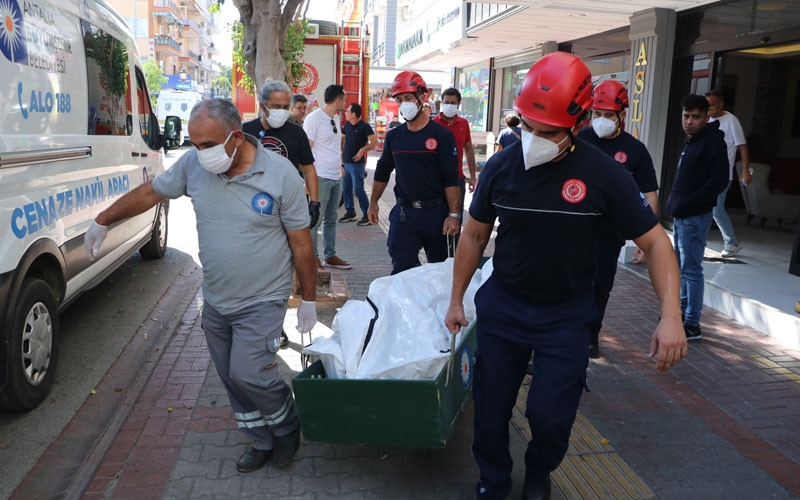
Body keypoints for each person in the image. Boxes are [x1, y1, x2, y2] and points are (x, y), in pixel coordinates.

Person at [443, 52, 686, 500]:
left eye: (547, 132)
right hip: (504, 306)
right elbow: (474, 237)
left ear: (576, 123)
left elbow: (655, 243)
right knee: (491, 407)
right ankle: (493, 480)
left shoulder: (603, 174)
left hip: (567, 314)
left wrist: (671, 314)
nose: (533, 139)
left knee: (551, 414)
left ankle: (539, 471)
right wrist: (457, 299)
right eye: (527, 127)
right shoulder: (501, 167)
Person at [83, 99, 317, 474]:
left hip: (263, 298)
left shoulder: (280, 175)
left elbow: (302, 243)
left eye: (208, 145)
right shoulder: (193, 165)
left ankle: (287, 423)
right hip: (216, 299)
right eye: (194, 144)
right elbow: (151, 193)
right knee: (229, 376)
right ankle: (260, 439)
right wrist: (103, 220)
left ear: (236, 137)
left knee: (249, 372)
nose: (199, 153)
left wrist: (308, 299)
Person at [578, 79, 659, 358]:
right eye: (596, 114)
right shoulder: (578, 141)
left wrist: (647, 239)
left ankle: (591, 335)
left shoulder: (635, 150)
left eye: (608, 115)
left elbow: (649, 194)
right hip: (573, 230)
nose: (601, 121)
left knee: (600, 286)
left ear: (621, 116)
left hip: (609, 234)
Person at [367, 71, 461, 275]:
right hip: (404, 215)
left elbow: (450, 178)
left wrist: (453, 215)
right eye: (399, 100)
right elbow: (383, 170)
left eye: (408, 98)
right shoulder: (394, 137)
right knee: (401, 272)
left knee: (440, 273)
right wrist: (374, 202)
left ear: (423, 97)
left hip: (436, 214)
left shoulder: (441, 135)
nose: (404, 104)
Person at [667, 94, 730, 341]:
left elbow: (718, 180)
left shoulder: (712, 141)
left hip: (694, 217)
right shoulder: (692, 140)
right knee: (683, 270)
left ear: (706, 117)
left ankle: (692, 323)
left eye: (695, 117)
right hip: (683, 216)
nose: (689, 121)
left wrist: (689, 202)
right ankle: (683, 314)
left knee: (691, 271)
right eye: (686, 116)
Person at [304, 84, 352, 269]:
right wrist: (307, 180)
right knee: (315, 219)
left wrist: (340, 165)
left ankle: (330, 255)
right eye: (345, 99)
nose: (346, 103)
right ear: (338, 100)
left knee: (331, 219)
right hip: (320, 177)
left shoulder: (336, 118)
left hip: (334, 177)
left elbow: (335, 145)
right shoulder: (314, 119)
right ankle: (313, 258)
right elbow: (306, 151)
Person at [704, 89, 752, 257]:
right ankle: (701, 240)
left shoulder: (731, 120)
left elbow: (742, 147)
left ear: (721, 103)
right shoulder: (705, 120)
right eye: (707, 105)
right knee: (702, 208)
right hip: (704, 175)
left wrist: (745, 170)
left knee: (716, 209)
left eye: (713, 105)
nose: (710, 109)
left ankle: (731, 243)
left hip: (723, 175)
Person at [340, 102, 378, 226]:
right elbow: (343, 139)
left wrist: (363, 150)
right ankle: (350, 212)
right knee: (346, 189)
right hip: (346, 162)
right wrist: (341, 157)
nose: (345, 113)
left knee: (358, 189)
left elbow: (375, 142)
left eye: (347, 111)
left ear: (354, 114)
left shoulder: (364, 126)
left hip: (357, 164)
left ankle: (367, 214)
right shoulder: (347, 126)